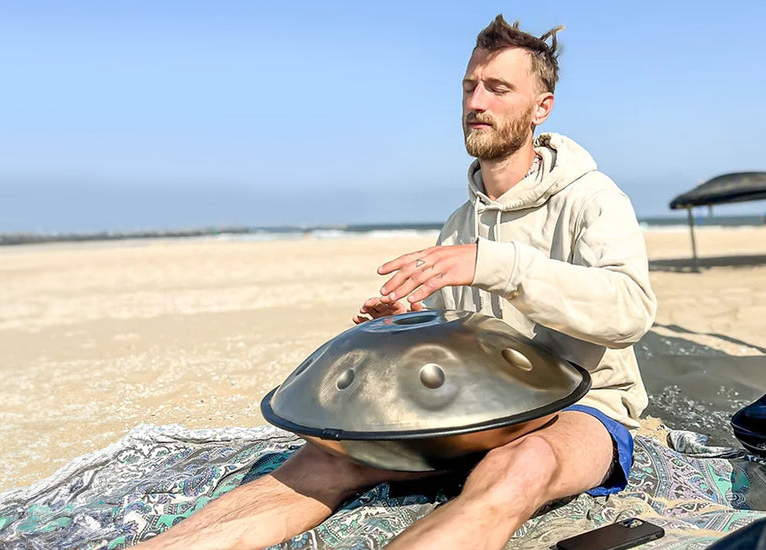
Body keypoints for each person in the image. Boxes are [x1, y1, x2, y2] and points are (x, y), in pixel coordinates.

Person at [133, 14, 656, 550]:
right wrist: (414, 331)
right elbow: (473, 334)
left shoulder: (591, 198)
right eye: (470, 86)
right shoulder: (460, 222)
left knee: (522, 467)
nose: (477, 102)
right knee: (324, 459)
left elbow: (631, 310)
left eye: (499, 88)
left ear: (540, 108)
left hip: (583, 405)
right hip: (478, 411)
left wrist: (494, 263)